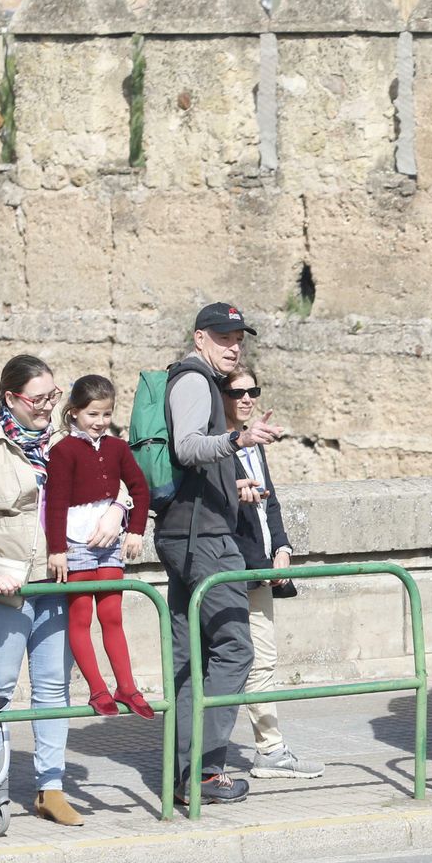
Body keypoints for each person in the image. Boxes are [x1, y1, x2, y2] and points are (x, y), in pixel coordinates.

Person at [0, 355, 127, 827]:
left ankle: (50, 787)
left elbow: (117, 477)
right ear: (10, 398)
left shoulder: (68, 440)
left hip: (60, 580)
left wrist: (119, 510)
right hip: (3, 586)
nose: (49, 405)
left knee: (53, 688)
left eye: (53, 396)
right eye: (39, 398)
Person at [157, 302, 283, 806]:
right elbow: (188, 447)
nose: (234, 347)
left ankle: (182, 774)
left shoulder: (195, 380)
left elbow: (193, 463)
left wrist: (235, 485)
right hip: (203, 540)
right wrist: (239, 439)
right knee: (235, 648)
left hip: (185, 533)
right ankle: (205, 772)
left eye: (239, 338)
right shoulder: (194, 381)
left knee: (191, 659)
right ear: (200, 338)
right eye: (224, 337)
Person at [221, 368, 324, 780]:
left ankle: (270, 750)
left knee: (263, 661)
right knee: (229, 663)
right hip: (231, 570)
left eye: (253, 391)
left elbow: (271, 503)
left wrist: (281, 550)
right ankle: (210, 758)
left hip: (261, 568)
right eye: (238, 391)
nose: (247, 398)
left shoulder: (254, 442)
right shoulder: (217, 447)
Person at [44, 374, 153, 720]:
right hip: (75, 544)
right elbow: (56, 503)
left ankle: (127, 686)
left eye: (106, 415)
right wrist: (57, 549)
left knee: (112, 615)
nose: (100, 422)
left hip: (108, 545)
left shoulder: (117, 448)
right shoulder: (63, 451)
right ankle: (97, 689)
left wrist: (135, 530)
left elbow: (139, 488)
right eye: (92, 415)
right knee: (80, 617)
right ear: (74, 412)